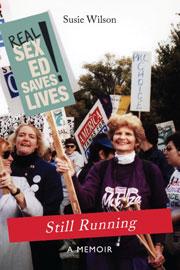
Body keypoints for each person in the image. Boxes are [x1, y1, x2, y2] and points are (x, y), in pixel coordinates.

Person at [56, 113, 167, 270]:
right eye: (118, 133)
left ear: (137, 141)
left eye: (128, 134)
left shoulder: (150, 170)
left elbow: (160, 210)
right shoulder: (99, 169)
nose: (122, 137)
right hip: (102, 253)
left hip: (136, 254)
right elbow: (86, 202)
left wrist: (158, 246)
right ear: (112, 138)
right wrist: (72, 176)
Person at [10, 124, 63, 270]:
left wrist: (16, 231)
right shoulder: (4, 168)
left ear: (37, 145)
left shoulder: (49, 171)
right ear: (15, 141)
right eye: (22, 135)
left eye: (31, 136)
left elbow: (51, 212)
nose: (26, 139)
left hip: (40, 245)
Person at [0, 137, 43, 270]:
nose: (11, 159)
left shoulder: (19, 183)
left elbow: (37, 214)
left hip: (14, 260)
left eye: (11, 154)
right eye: (6, 154)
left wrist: (15, 190)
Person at [163, 131, 180, 270]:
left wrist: (158, 221)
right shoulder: (175, 172)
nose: (165, 152)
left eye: (169, 148)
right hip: (172, 239)